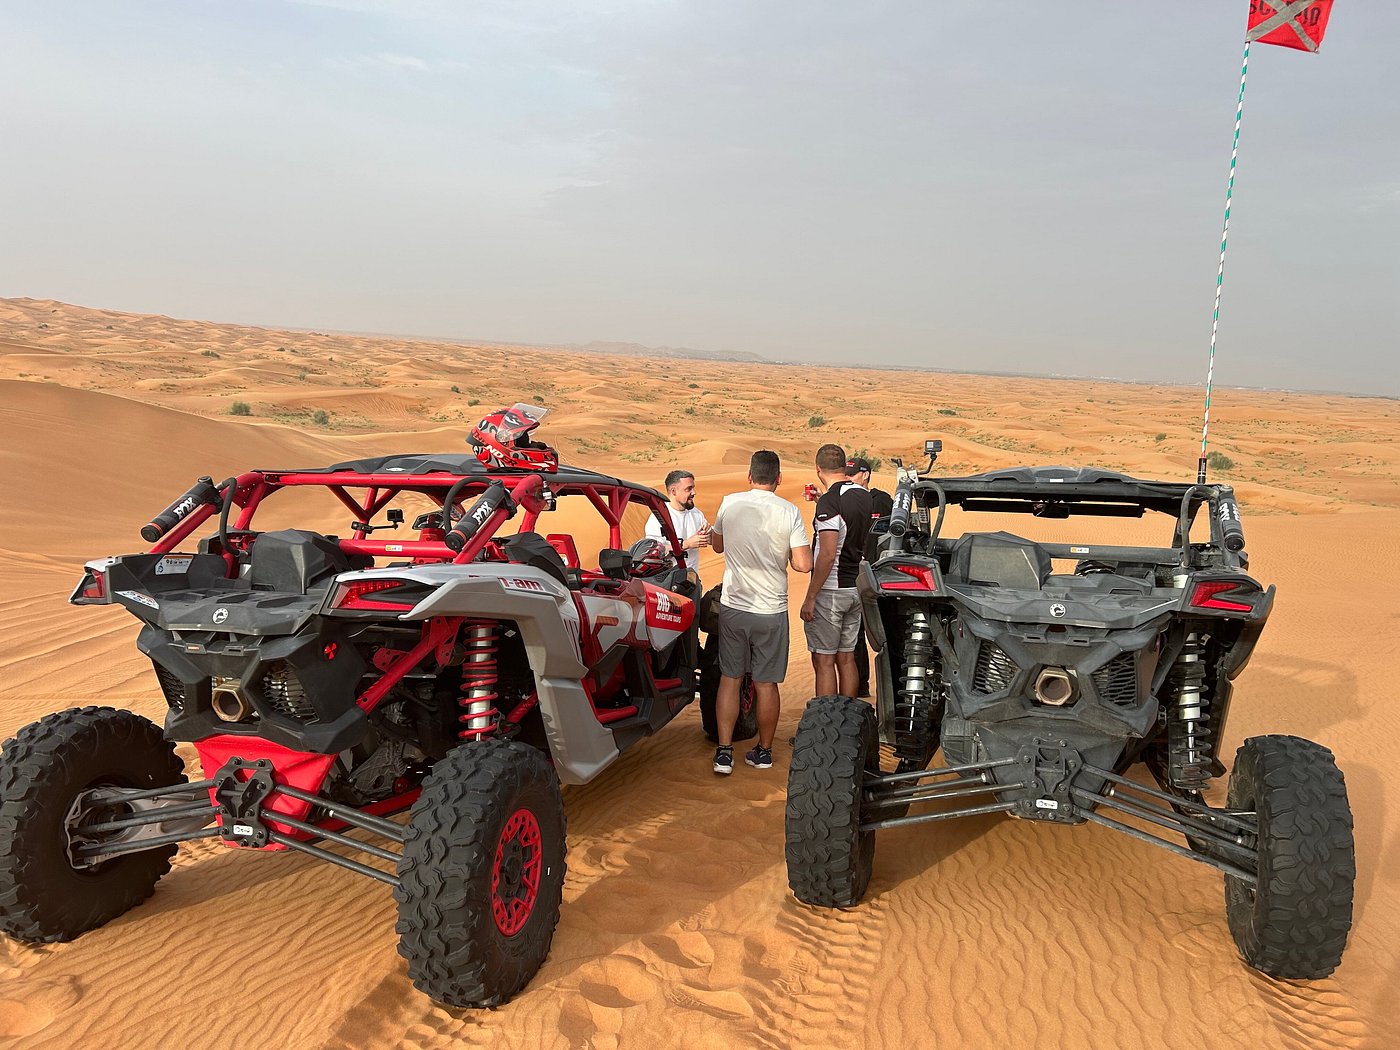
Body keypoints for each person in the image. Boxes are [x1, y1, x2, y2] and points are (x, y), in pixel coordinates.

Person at [708, 451, 812, 775]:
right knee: (766, 684)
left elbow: (716, 545)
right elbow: (804, 564)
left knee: (730, 678)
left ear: (749, 476)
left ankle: (724, 753)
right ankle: (764, 752)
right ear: (778, 478)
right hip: (771, 610)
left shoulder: (729, 502)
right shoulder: (790, 511)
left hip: (734, 607)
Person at [800, 444, 872, 699]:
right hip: (855, 588)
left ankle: (825, 727)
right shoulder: (864, 495)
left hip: (831, 591)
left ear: (818, 469)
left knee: (824, 661)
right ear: (844, 467)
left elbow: (828, 554)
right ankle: (847, 719)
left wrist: (810, 597)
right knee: (847, 657)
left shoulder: (831, 501)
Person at [846, 457, 892, 699]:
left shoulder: (882, 500)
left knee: (886, 632)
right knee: (855, 634)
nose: (849, 478)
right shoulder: (845, 500)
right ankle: (860, 686)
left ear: (866, 474)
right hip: (854, 574)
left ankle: (892, 690)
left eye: (853, 474)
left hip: (881, 576)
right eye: (846, 474)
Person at [645, 469, 710, 573]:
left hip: (692, 582)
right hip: (667, 581)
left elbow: (711, 540)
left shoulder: (696, 514)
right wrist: (686, 544)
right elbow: (653, 552)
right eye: (689, 489)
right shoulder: (659, 516)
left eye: (693, 488)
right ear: (674, 491)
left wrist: (707, 535)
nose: (694, 493)